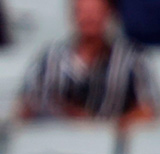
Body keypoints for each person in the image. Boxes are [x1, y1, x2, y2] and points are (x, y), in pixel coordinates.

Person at [18, 0, 157, 127]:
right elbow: (26, 107)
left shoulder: (132, 59)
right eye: (83, 11)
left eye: (95, 12)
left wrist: (106, 127)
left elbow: (147, 110)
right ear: (72, 14)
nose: (89, 18)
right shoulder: (50, 59)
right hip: (56, 140)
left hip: (109, 143)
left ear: (109, 14)